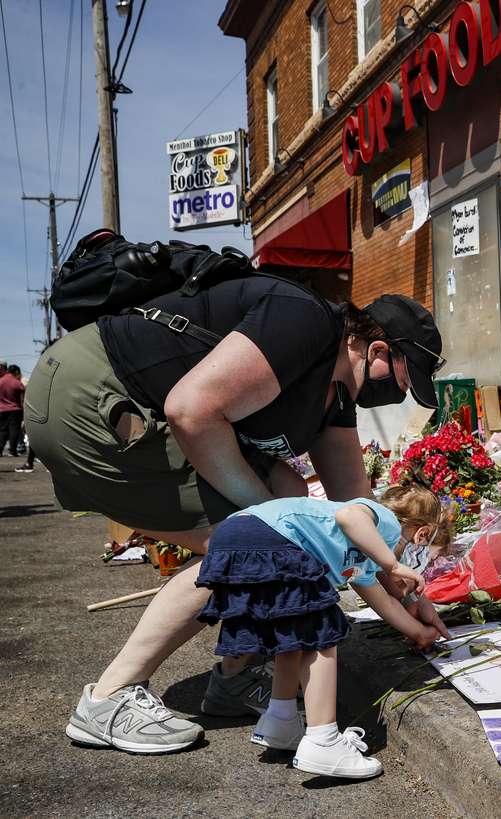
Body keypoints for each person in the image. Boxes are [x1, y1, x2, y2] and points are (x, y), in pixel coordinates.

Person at [26, 270, 451, 753]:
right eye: (400, 378)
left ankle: (235, 679)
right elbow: (190, 408)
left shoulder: (334, 398)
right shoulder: (306, 321)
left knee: (275, 534)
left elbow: (350, 513)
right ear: (376, 350)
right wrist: (269, 521)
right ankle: (108, 699)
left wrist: (402, 595)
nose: (396, 393)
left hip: (119, 402)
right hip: (93, 397)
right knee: (253, 549)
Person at [68, 484, 452, 775]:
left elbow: (378, 597)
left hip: (241, 535)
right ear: (421, 534)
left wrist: (417, 630)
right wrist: (396, 564)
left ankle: (280, 722)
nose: (413, 561)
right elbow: (350, 517)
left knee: (291, 636)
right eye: (426, 553)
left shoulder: (362, 554)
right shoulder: (379, 522)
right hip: (274, 540)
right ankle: (323, 740)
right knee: (322, 637)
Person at [0, 363, 24, 457]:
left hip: (2, 410)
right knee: (14, 430)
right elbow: (22, 391)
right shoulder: (16, 382)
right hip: (15, 409)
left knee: (2, 431)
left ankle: (0, 450)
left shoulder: (1, 381)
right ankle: (12, 450)